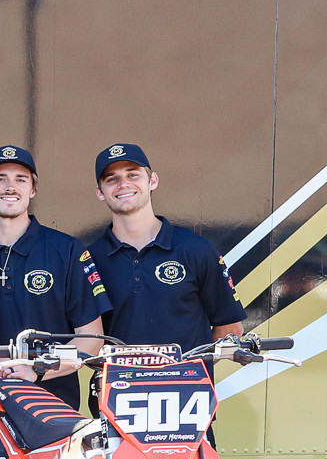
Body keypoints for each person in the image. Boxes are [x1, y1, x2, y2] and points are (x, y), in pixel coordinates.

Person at [0, 145, 108, 409]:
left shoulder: (67, 250)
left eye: (20, 179)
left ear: (33, 189)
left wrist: (37, 370)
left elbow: (91, 340)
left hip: (57, 410)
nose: (10, 187)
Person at [84, 143, 246, 356]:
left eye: (133, 175)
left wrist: (192, 367)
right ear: (100, 192)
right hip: (117, 378)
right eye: (112, 179)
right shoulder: (90, 259)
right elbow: (85, 337)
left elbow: (230, 328)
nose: (123, 184)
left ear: (153, 181)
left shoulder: (196, 250)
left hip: (185, 378)